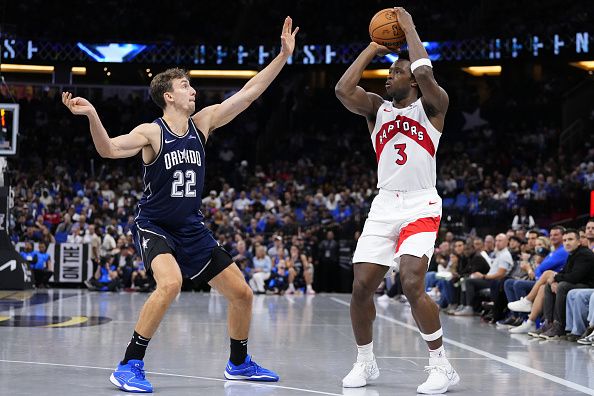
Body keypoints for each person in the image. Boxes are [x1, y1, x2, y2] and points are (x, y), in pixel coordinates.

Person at [62, 17, 299, 393]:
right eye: (186, 85)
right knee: (170, 284)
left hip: (191, 227)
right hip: (155, 225)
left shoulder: (202, 123)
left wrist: (282, 57)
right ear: (168, 96)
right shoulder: (151, 131)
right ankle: (128, 364)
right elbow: (107, 149)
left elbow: (250, 93)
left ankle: (238, 364)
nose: (193, 91)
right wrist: (92, 115)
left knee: (242, 293)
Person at [335, 7, 458, 394]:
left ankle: (441, 365)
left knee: (410, 281)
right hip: (385, 203)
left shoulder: (433, 106)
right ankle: (365, 361)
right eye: (389, 73)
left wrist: (408, 28)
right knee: (360, 287)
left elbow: (425, 72)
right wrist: (374, 46)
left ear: (413, 82)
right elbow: (342, 89)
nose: (391, 77)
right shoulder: (376, 108)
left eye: (396, 72)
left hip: (422, 204)